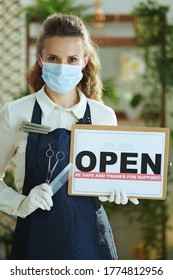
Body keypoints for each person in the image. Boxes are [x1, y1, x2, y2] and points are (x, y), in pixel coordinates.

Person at [0, 13, 139, 260]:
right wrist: (20, 203)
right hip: (35, 244)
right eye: (54, 58)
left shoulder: (103, 117)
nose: (62, 66)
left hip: (91, 245)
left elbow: (111, 178)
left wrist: (118, 188)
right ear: (40, 58)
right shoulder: (15, 113)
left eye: (72, 59)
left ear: (84, 61)